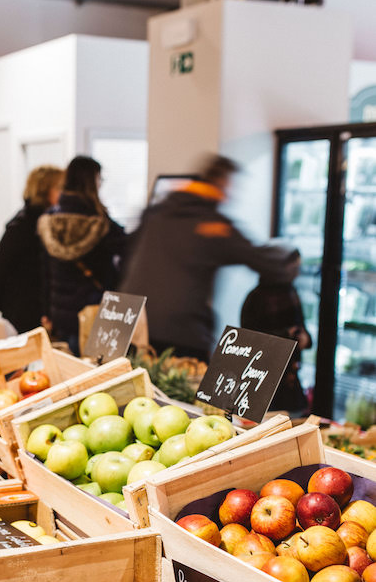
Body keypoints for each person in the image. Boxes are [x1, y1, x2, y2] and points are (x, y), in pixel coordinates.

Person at [120, 154, 300, 362]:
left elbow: (126, 255)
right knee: (182, 391)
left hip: (135, 324)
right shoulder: (212, 226)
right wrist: (290, 258)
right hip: (182, 332)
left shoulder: (156, 213)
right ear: (223, 182)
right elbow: (261, 259)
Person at [37, 155, 127, 354]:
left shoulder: (49, 221)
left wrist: (46, 312)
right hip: (92, 313)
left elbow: (45, 273)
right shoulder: (100, 223)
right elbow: (128, 249)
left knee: (67, 371)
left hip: (60, 314)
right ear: (92, 181)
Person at [0, 165, 64, 332]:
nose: (64, 194)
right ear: (44, 190)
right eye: (60, 188)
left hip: (32, 306)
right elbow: (0, 263)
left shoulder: (46, 221)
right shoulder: (25, 225)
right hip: (24, 307)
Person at [240, 252, 312, 415]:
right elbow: (249, 340)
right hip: (262, 379)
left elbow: (301, 327)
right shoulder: (255, 297)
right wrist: (287, 334)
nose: (297, 272)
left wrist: (305, 338)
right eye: (294, 267)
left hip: (290, 378)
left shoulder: (291, 293)